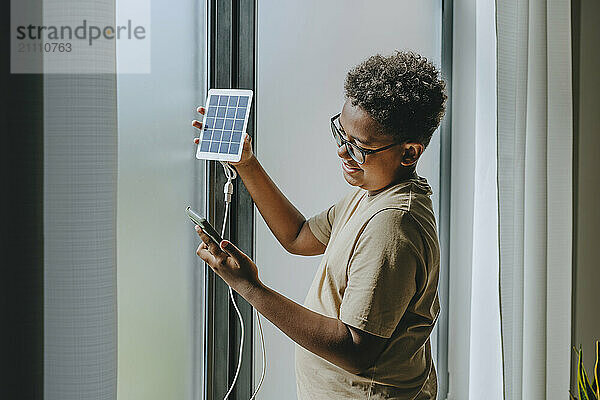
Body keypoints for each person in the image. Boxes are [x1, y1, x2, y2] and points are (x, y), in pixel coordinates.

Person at [191, 50, 447, 399]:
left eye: (359, 147)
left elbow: (355, 350)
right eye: (341, 134)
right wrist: (245, 163)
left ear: (409, 153)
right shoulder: (371, 193)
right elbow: (299, 236)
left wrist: (251, 288)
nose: (343, 152)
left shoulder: (393, 224)